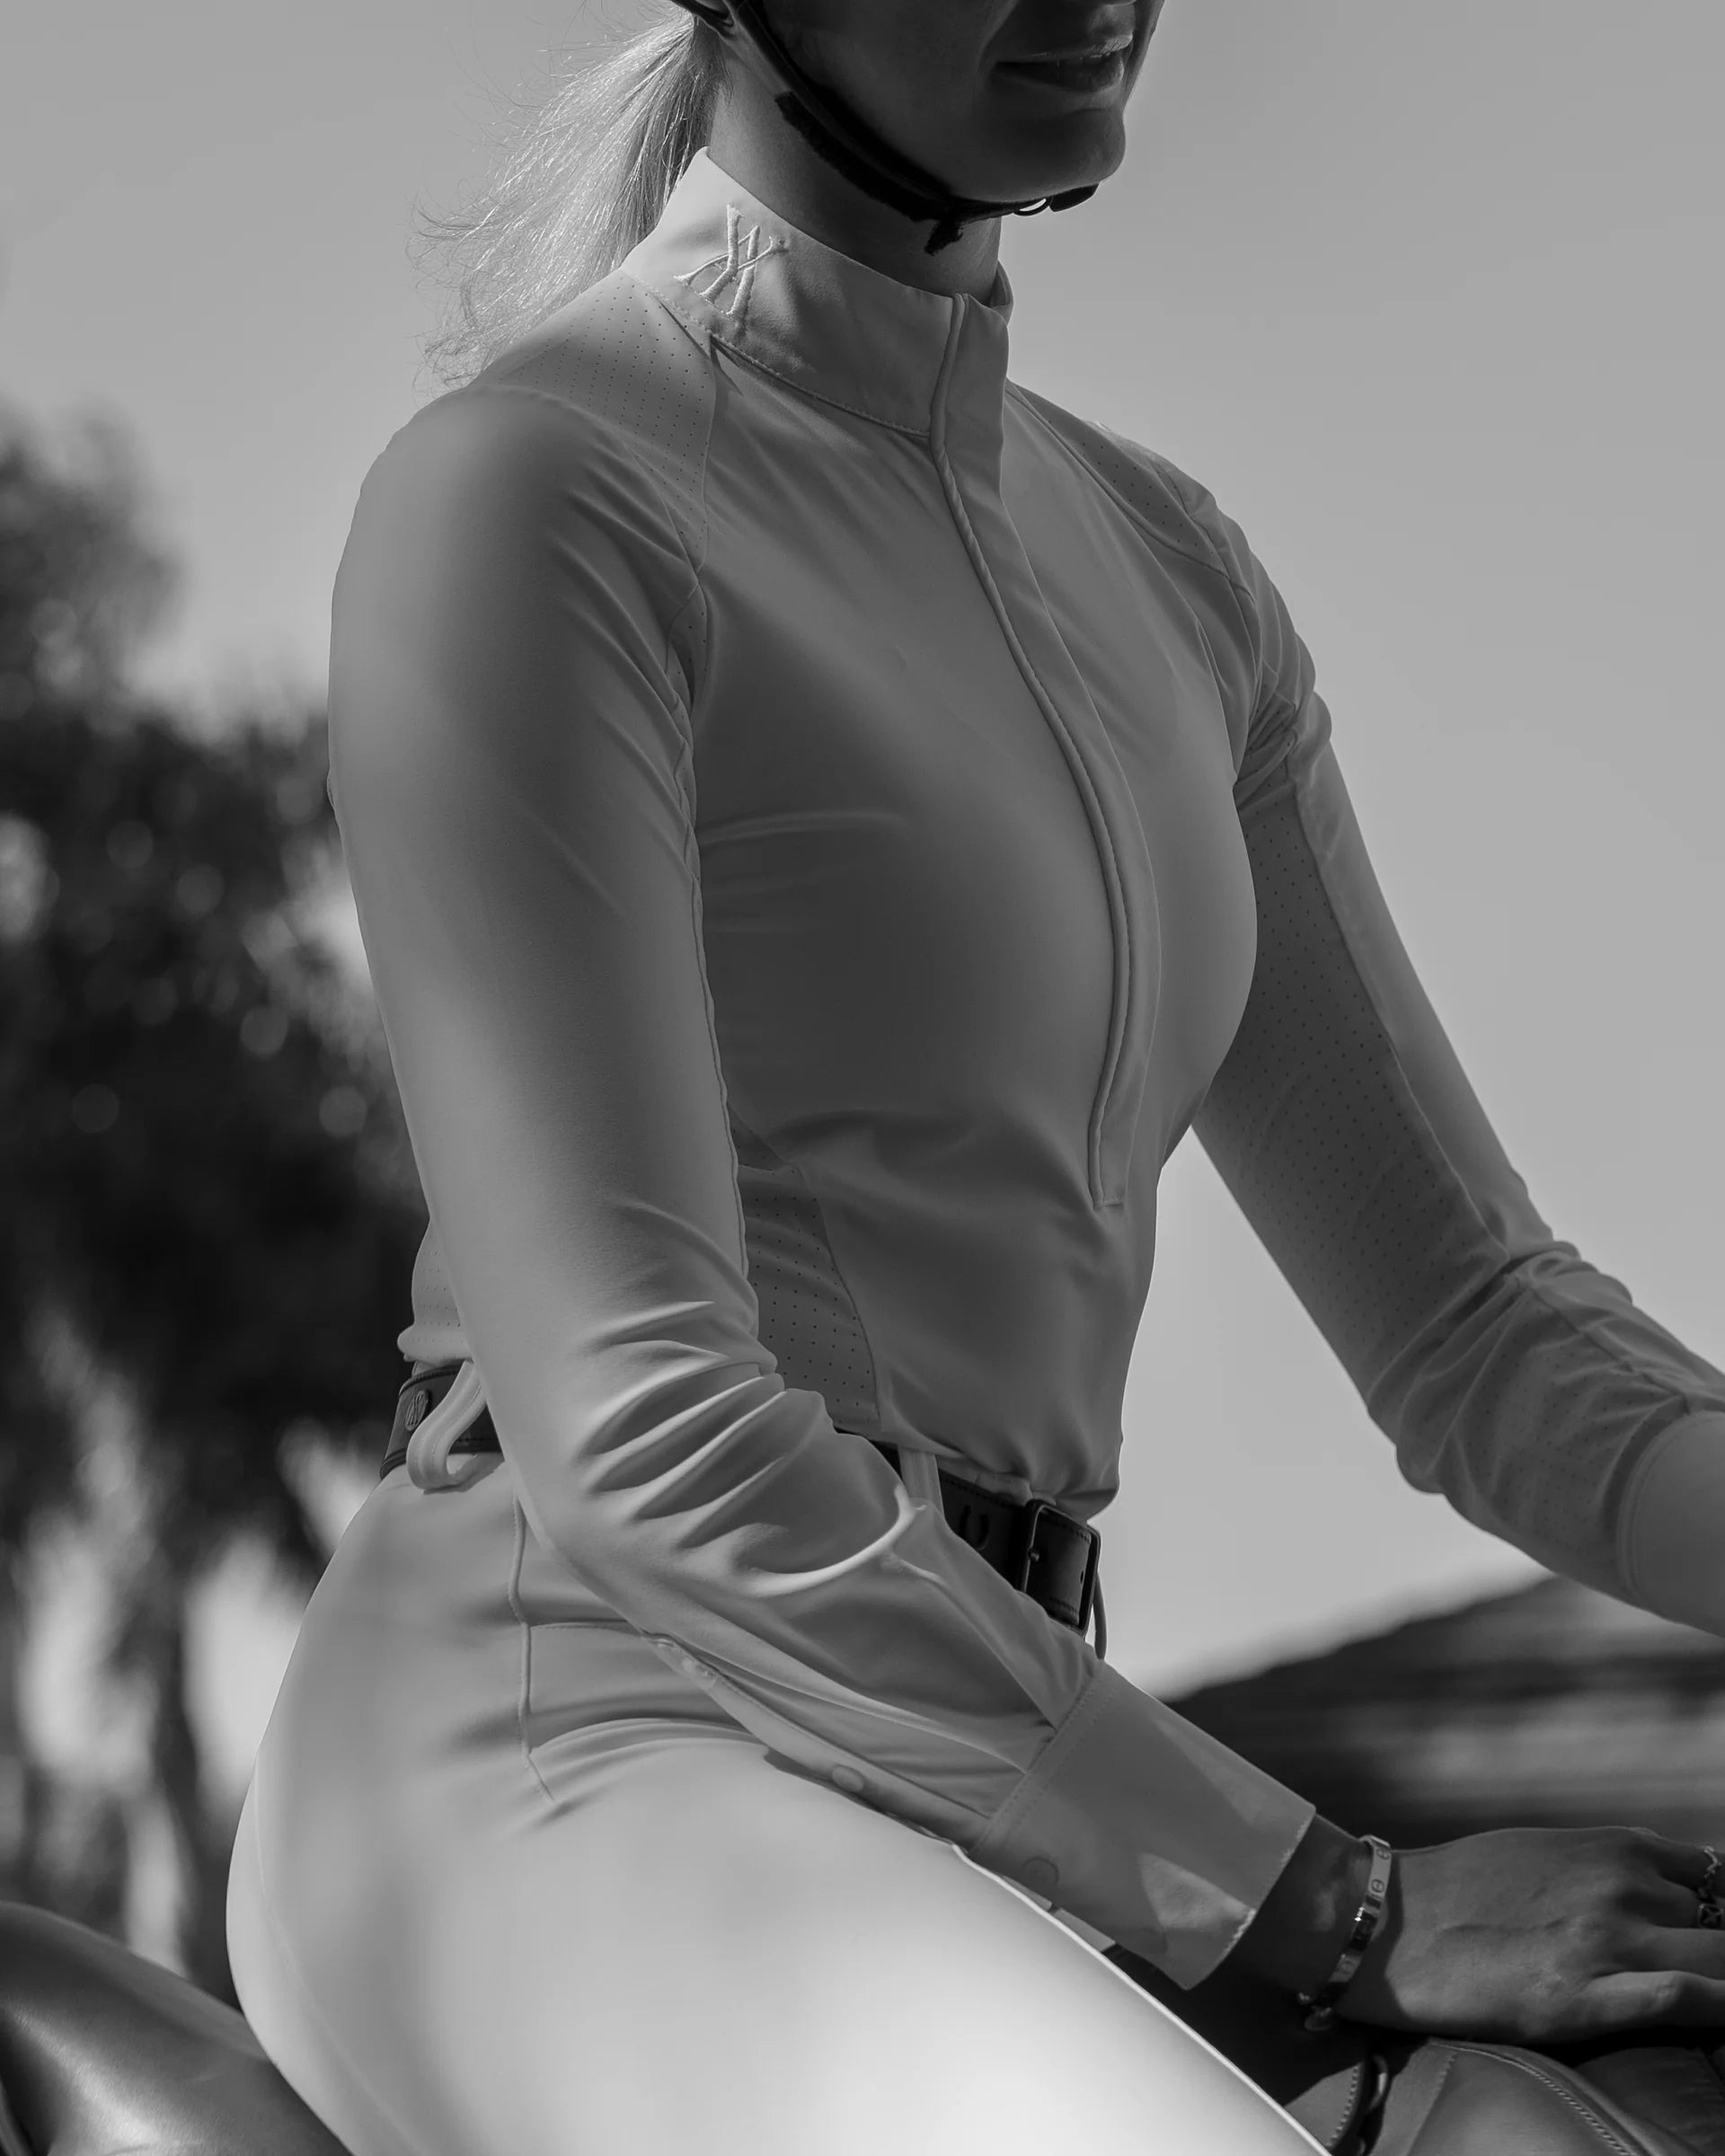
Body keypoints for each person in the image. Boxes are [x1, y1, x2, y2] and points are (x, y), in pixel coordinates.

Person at [224, 4, 1725, 2151]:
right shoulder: (535, 492)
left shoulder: (1175, 575)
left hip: (990, 1781)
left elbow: (1483, 1335)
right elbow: (643, 1426)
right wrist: (1346, 1906)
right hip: (576, 1753)